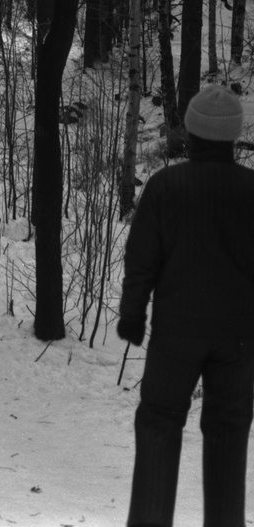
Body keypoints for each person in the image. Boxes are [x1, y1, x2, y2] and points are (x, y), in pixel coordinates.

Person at [117, 85, 254, 526]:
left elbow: (142, 258)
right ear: (232, 136)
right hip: (238, 338)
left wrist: (133, 312)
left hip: (176, 335)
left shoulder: (166, 186)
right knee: (229, 432)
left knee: (159, 423)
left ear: (192, 132)